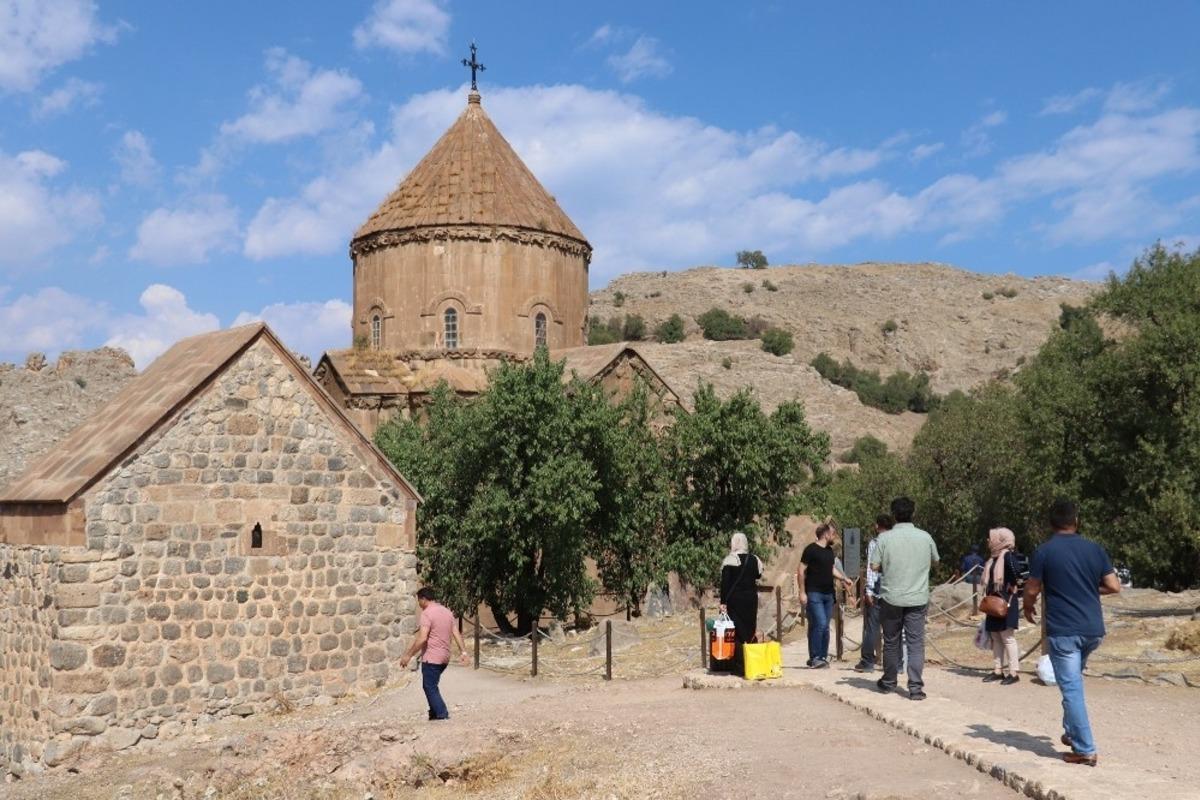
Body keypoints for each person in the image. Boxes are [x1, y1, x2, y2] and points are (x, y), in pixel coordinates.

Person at [1024, 499, 1121, 766]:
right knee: (1073, 683)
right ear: (1076, 521)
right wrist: (1089, 590)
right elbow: (1114, 586)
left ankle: (1085, 749)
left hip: (1064, 630)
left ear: (1050, 523)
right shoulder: (1095, 549)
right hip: (1093, 629)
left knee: (1071, 689)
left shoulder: (1044, 552)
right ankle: (1071, 731)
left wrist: (1027, 606)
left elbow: (1032, 589)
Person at [871, 497, 939, 700]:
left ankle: (890, 681)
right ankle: (915, 687)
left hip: (891, 597)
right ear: (913, 513)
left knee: (891, 641)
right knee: (915, 643)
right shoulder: (925, 537)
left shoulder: (884, 539)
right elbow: (936, 560)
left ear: (894, 515)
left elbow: (874, 566)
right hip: (917, 597)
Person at [400, 587, 469, 720]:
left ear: (424, 599)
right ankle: (434, 714)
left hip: (432, 657)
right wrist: (464, 652)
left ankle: (442, 715)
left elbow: (422, 638)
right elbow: (456, 633)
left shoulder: (427, 614)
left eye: (418, 601)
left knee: (429, 686)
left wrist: (408, 655)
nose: (418, 604)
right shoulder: (447, 612)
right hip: (445, 658)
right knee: (431, 685)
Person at [798, 523, 854, 669]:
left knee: (824, 626)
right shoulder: (810, 550)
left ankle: (820, 657)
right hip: (814, 592)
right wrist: (802, 591)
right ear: (825, 534)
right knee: (821, 624)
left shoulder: (829, 551)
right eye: (833, 533)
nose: (834, 535)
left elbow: (831, 569)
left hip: (828, 594)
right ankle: (817, 657)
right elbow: (801, 570)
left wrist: (843, 578)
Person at [719, 532, 764, 677]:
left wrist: (723, 602)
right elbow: (758, 575)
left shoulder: (730, 560)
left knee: (737, 633)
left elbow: (725, 584)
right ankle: (753, 663)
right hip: (751, 599)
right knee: (750, 630)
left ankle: (740, 667)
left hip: (735, 600)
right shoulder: (754, 559)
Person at [981, 527, 1021, 685]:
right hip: (994, 601)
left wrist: (1014, 586)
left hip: (1006, 601)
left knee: (1007, 637)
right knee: (996, 637)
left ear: (1001, 540)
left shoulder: (1008, 556)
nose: (989, 541)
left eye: (992, 538)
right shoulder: (993, 558)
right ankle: (998, 670)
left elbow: (1017, 575)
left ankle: (1013, 672)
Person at [853, 514, 893, 673]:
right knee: (893, 627)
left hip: (878, 589)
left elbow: (871, 568)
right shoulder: (896, 541)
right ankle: (895, 662)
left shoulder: (875, 543)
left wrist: (868, 590)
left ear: (878, 526)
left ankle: (868, 661)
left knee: (872, 627)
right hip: (894, 589)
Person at [960, 545, 986, 613]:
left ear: (971, 550)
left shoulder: (966, 558)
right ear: (977, 551)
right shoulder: (980, 559)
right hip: (978, 577)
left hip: (968, 577)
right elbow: (983, 569)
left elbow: (962, 568)